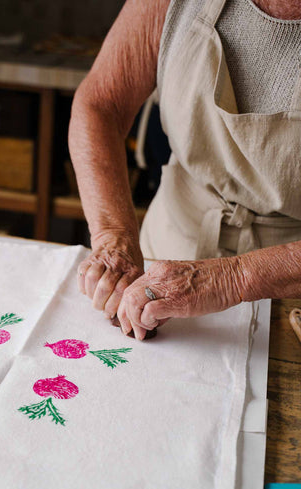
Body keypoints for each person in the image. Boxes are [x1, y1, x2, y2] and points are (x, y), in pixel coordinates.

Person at [68, 0, 301, 340]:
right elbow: (102, 104)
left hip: (290, 297)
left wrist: (233, 279)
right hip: (163, 254)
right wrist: (113, 235)